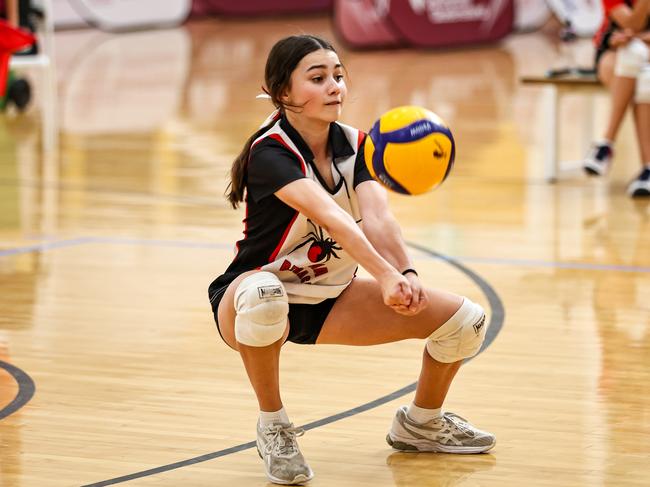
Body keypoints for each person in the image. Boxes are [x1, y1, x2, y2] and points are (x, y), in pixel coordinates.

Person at [208, 34, 495, 486]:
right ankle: (274, 427)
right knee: (265, 297)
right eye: (318, 78)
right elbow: (333, 218)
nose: (334, 87)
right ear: (284, 93)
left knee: (465, 322)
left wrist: (406, 273)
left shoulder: (358, 144)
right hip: (250, 295)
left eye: (338, 76)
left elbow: (379, 218)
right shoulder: (270, 152)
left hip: (329, 299)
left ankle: (421, 424)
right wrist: (383, 275)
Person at [583, 0, 650, 197]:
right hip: (614, 54)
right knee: (639, 69)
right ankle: (648, 169)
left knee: (640, 66)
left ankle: (605, 143)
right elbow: (631, 24)